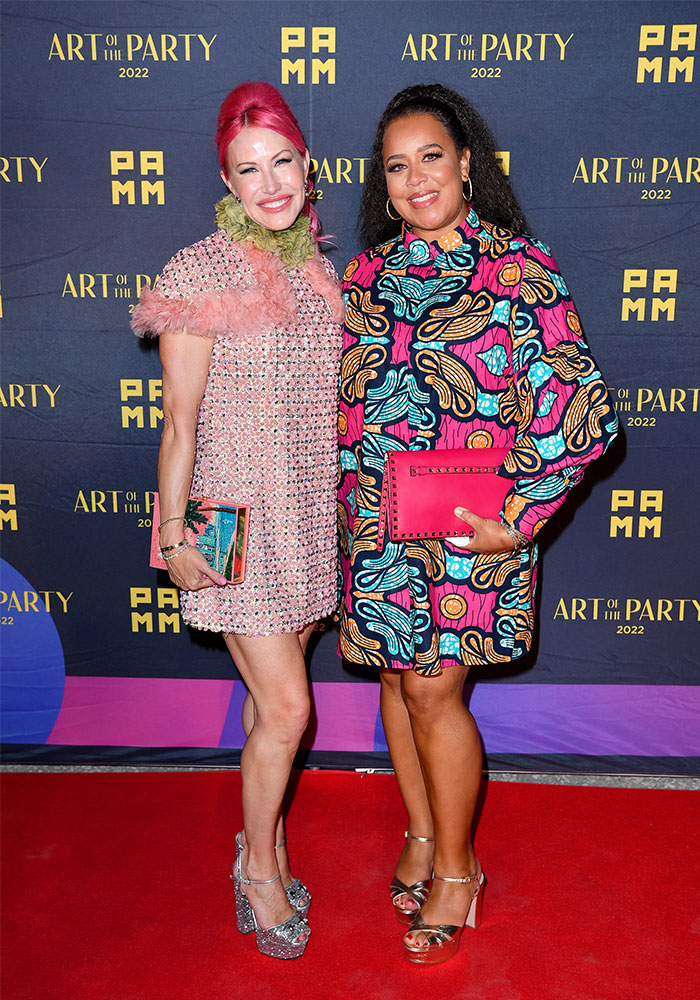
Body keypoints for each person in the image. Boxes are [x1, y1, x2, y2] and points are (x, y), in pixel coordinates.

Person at [338, 83, 618, 965]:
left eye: (432, 157)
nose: (416, 178)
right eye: (397, 165)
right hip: (377, 527)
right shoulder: (366, 275)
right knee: (395, 681)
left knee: (431, 689)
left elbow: (582, 411)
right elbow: (344, 409)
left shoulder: (518, 269)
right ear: (382, 188)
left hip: (470, 530)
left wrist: (521, 519)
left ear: (466, 165)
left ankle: (459, 871)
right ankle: (422, 834)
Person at [131, 81, 343, 959]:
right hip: (232, 521)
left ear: (306, 164)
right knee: (292, 710)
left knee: (272, 712)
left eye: (281, 163)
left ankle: (265, 838)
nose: (270, 185)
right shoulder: (196, 270)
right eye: (247, 170)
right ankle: (258, 867)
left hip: (307, 515)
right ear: (226, 179)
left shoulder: (320, 269)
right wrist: (172, 535)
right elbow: (179, 421)